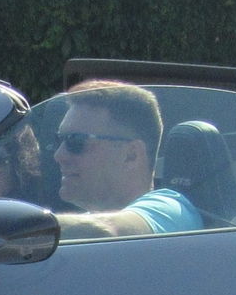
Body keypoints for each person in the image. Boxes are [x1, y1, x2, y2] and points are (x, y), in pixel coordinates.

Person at [50, 82, 205, 237]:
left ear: (131, 155)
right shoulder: (78, 227)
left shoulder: (169, 210)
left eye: (75, 141)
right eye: (59, 140)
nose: (59, 155)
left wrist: (28, 228)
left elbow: (104, 231)